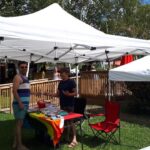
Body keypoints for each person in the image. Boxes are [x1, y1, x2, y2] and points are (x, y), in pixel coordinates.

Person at [47, 68, 78, 148]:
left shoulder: (71, 82)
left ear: (67, 73)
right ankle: (65, 137)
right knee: (63, 121)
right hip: (62, 105)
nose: (60, 74)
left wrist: (68, 94)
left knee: (71, 122)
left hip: (69, 105)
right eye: (60, 73)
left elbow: (75, 93)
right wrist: (50, 94)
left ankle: (74, 139)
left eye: (62, 73)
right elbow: (58, 94)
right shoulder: (60, 83)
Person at [12, 61, 30, 150]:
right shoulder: (17, 77)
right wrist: (20, 103)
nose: (24, 68)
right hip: (20, 104)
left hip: (24, 104)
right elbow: (14, 91)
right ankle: (19, 146)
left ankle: (15, 143)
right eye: (22, 67)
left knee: (19, 124)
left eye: (25, 67)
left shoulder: (25, 78)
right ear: (19, 68)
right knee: (19, 124)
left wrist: (36, 92)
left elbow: (26, 91)